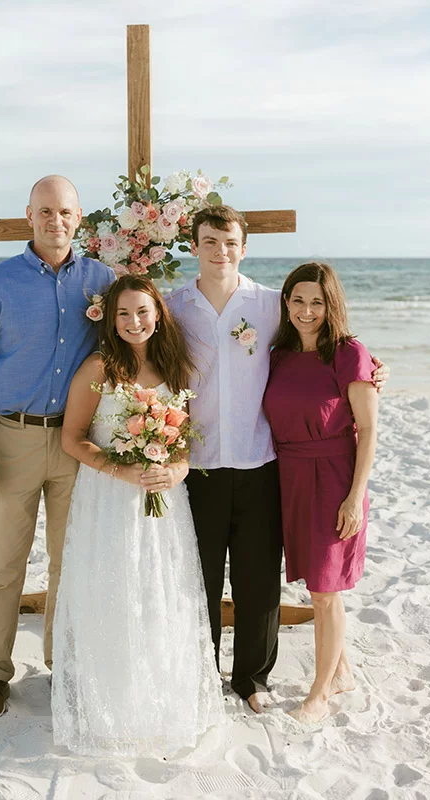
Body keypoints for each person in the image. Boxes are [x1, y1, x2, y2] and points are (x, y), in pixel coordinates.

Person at [166, 206, 388, 714]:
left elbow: (327, 344)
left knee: (258, 577)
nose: (219, 251)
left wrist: (374, 366)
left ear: (244, 247)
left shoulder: (270, 304)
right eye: (209, 241)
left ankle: (252, 679)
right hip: (196, 465)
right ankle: (200, 675)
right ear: (194, 245)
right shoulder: (173, 307)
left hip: (262, 464)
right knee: (196, 578)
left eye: (229, 242)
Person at [0, 175, 115, 726]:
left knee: (72, 561)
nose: (55, 220)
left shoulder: (103, 281)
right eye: (45, 211)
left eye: (65, 211)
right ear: (29, 216)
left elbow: (139, 339)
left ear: (79, 218)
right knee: (4, 564)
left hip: (77, 442)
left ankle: (62, 665)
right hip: (11, 440)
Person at [51, 275, 225, 757]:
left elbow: (184, 442)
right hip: (109, 499)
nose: (133, 322)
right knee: (115, 591)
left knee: (161, 593)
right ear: (111, 319)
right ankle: (113, 706)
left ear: (158, 314)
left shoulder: (173, 365)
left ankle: (161, 699)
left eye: (142, 312)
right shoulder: (99, 367)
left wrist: (177, 470)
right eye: (123, 313)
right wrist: (120, 472)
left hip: (164, 504)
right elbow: (73, 438)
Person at [263, 262, 378, 723]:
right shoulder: (277, 355)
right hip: (287, 476)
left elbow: (368, 430)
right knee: (315, 583)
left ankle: (319, 694)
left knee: (325, 591)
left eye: (317, 301)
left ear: (331, 305)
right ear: (286, 303)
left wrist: (355, 497)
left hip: (334, 478)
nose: (307, 310)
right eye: (298, 300)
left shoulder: (349, 353)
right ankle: (343, 670)